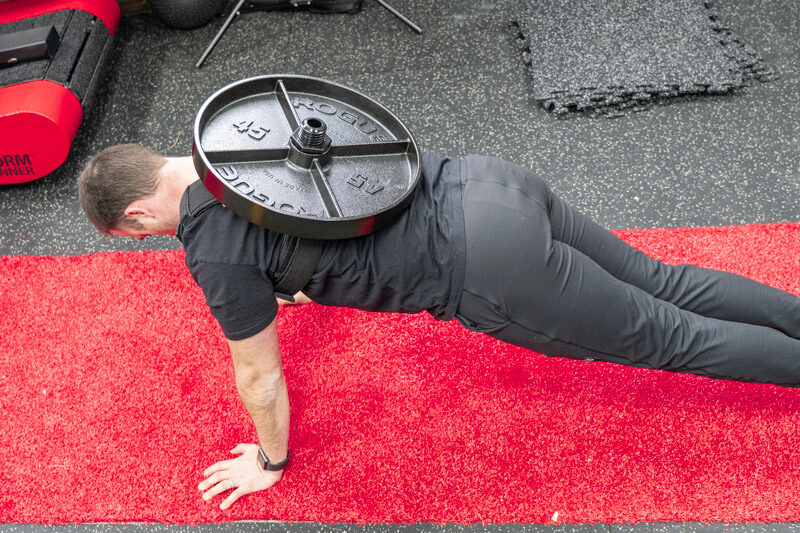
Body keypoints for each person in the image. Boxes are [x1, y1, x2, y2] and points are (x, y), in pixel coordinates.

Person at [78, 143, 800, 510]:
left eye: (138, 236)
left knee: (672, 337)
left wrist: (269, 462)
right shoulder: (229, 141)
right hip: (483, 181)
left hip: (488, 262)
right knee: (664, 282)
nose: (151, 241)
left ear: (137, 216)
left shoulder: (214, 251)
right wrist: (289, 278)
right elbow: (314, 194)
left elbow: (258, 373)